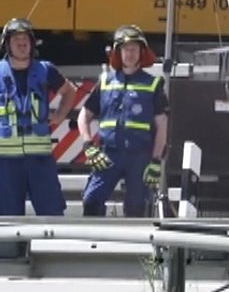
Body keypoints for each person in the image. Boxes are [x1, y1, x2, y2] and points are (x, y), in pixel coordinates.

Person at [78, 25, 168, 218]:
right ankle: (95, 245)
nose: (130, 53)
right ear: (118, 52)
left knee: (137, 207)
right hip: (107, 155)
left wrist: (155, 161)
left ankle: (136, 247)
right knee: (91, 201)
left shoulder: (153, 84)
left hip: (139, 158)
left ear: (141, 52)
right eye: (126, 49)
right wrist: (88, 145)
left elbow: (162, 125)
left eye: (134, 48)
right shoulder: (104, 82)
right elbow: (83, 116)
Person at [0, 17, 80, 216]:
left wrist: (60, 115)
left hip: (40, 162)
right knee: (8, 222)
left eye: (25, 39)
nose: (22, 43)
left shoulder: (46, 70)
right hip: (6, 164)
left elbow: (69, 92)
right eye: (16, 39)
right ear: (7, 44)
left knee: (52, 216)